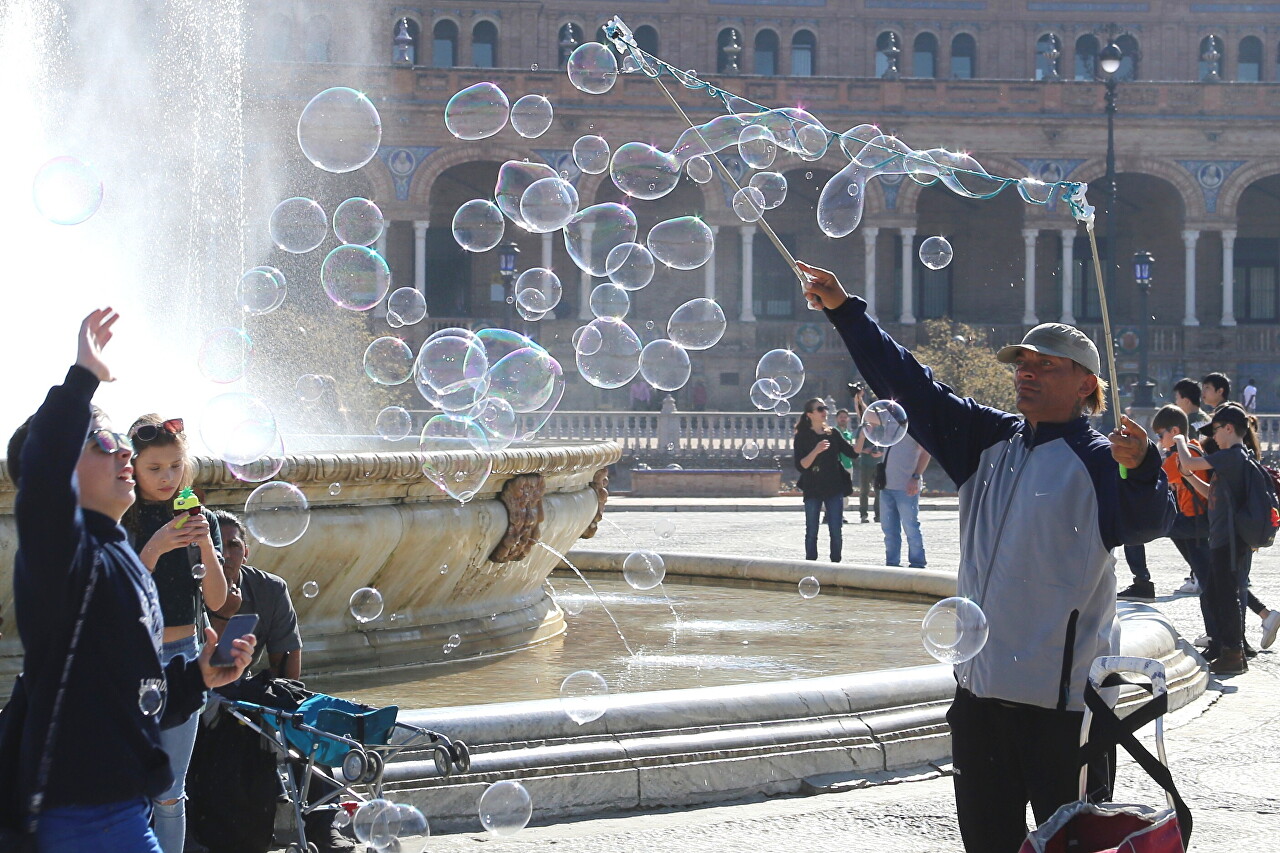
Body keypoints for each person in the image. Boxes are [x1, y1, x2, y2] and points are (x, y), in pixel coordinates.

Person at [798, 263, 1174, 853]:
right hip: (978, 699)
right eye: (1023, 363)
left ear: (1086, 385)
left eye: (1046, 364)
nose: (1028, 373)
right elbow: (910, 387)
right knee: (986, 843)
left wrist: (1146, 466)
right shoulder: (984, 438)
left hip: (1062, 708)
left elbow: (1151, 519)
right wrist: (846, 311)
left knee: (1068, 847)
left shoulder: (1103, 461)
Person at [0, 308, 254, 852]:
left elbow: (134, 695)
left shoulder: (116, 555)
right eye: (101, 443)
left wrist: (198, 680)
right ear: (62, 469)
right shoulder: (65, 553)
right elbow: (41, 475)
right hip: (74, 815)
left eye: (118, 441)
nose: (122, 452)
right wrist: (81, 378)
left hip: (122, 807)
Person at [123, 416, 229, 853]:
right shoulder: (122, 515)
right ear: (132, 467)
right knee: (126, 783)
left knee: (169, 790)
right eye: (154, 468)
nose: (167, 477)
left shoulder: (196, 516)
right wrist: (155, 547)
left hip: (184, 655)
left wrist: (204, 544)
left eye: (174, 466)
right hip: (132, 657)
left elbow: (220, 600)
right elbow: (118, 593)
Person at [1175, 403, 1262, 674]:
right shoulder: (1232, 459)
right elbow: (1208, 492)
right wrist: (1189, 478)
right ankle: (1229, 649)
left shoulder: (1233, 455)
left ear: (1229, 428)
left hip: (1230, 541)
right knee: (1214, 593)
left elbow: (1189, 461)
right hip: (1223, 538)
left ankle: (1234, 653)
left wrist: (1179, 438)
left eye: (1215, 430)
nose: (1213, 437)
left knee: (1226, 596)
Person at [1150, 405, 1215, 646]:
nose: (1159, 439)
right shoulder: (1194, 448)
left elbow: (1155, 476)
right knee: (1208, 579)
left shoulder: (1181, 455)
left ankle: (1216, 635)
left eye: (1160, 434)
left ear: (1174, 431)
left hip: (1194, 522)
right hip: (1195, 523)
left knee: (1146, 527)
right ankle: (1218, 634)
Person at [209, 511, 302, 679]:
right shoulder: (187, 588)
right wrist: (222, 616)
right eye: (217, 546)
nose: (225, 555)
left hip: (241, 686)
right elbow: (199, 668)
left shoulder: (271, 589)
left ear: (245, 554)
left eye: (233, 545)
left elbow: (287, 667)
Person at [792, 398, 857, 562]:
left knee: (836, 529)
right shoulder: (802, 437)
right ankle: (811, 564)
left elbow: (852, 453)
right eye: (820, 409)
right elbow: (801, 466)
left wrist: (864, 434)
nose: (824, 412)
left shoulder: (833, 433)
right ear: (810, 414)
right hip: (812, 487)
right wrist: (816, 450)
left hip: (834, 486)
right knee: (812, 530)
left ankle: (836, 565)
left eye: (825, 408)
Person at [1169, 378, 1210, 594]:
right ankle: (1199, 573)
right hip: (1203, 483)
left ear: (1185, 399)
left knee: (1189, 533)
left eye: (1177, 398)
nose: (1176, 402)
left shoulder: (1191, 423)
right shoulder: (1204, 420)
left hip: (1194, 486)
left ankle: (1198, 574)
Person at [877, 431, 930, 568]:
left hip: (906, 486)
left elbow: (926, 452)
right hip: (886, 485)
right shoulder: (889, 422)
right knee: (889, 529)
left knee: (910, 526)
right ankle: (892, 563)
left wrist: (916, 476)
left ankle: (917, 562)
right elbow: (869, 415)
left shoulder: (914, 425)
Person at [851, 386, 882, 524]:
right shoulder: (864, 427)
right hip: (866, 463)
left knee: (879, 490)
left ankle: (878, 515)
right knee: (864, 490)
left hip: (880, 463)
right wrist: (858, 397)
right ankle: (863, 514)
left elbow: (889, 445)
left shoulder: (883, 429)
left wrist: (881, 452)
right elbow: (861, 410)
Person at [835, 408, 856, 524]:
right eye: (840, 417)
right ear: (837, 419)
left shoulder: (849, 434)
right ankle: (832, 513)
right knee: (834, 490)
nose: (843, 419)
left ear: (847, 419)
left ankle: (841, 512)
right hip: (836, 465)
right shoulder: (833, 432)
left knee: (845, 490)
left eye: (844, 417)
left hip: (847, 464)